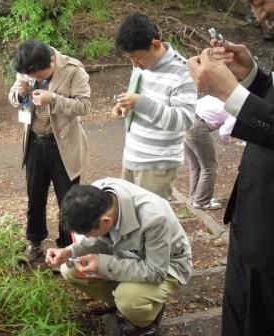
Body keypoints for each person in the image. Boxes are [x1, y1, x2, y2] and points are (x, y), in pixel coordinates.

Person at [187, 1, 274, 334]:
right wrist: (252, 77)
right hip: (252, 221)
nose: (255, 11)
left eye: (258, 2)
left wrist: (230, 93)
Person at [46, 178, 192, 336]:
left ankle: (146, 323)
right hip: (126, 252)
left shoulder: (154, 217)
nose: (86, 237)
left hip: (167, 264)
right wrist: (69, 252)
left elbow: (156, 271)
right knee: (69, 270)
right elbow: (97, 239)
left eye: (87, 233)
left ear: (106, 221)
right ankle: (119, 304)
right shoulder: (97, 196)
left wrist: (102, 264)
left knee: (129, 300)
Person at [8, 40, 90, 259]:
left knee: (68, 200)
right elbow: (15, 100)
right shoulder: (27, 70)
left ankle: (66, 248)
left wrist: (52, 98)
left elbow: (84, 106)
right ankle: (34, 242)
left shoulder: (73, 70)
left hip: (63, 144)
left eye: (39, 75)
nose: (36, 79)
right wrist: (19, 93)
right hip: (34, 141)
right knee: (34, 197)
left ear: (52, 60)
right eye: (31, 76)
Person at [113, 12, 197, 200]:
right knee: (128, 220)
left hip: (157, 165)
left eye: (137, 58)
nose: (135, 64)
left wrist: (140, 103)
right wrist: (125, 106)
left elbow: (184, 121)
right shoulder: (141, 66)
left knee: (150, 225)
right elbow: (136, 96)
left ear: (156, 45)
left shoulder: (183, 72)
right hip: (132, 156)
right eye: (130, 59)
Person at [184, 95, 236, 210]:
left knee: (195, 166)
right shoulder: (238, 108)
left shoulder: (220, 94)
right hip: (198, 126)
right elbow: (224, 132)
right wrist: (231, 141)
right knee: (209, 167)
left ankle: (195, 198)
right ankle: (202, 201)